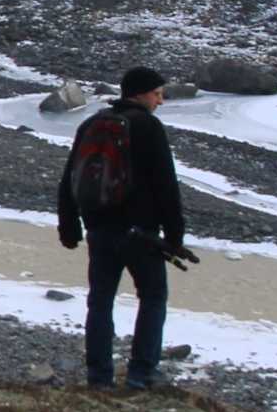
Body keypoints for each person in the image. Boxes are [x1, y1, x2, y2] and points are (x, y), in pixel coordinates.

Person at [56, 65, 190, 387]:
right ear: (142, 93)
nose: (161, 101)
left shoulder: (92, 123)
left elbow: (69, 178)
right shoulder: (148, 126)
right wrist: (174, 236)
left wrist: (69, 226)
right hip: (141, 234)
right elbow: (165, 185)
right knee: (153, 297)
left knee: (100, 301)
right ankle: (141, 374)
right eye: (158, 94)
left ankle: (99, 377)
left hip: (99, 230)